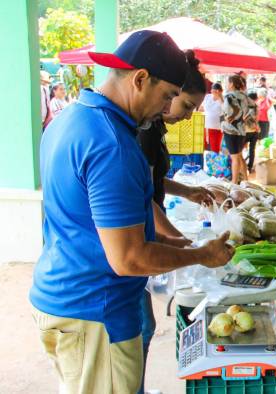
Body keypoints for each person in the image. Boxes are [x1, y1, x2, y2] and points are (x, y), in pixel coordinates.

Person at [31, 31, 234, 394]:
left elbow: (88, 222)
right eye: (168, 96)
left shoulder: (68, 120)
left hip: (61, 296)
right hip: (96, 311)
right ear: (140, 79)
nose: (167, 109)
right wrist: (202, 255)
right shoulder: (112, 144)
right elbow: (129, 257)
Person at [136, 49, 215, 393]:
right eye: (181, 103)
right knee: (139, 326)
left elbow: (152, 182)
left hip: (145, 237)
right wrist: (187, 245)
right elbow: (140, 197)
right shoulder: (139, 132)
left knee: (143, 326)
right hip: (135, 241)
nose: (185, 115)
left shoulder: (152, 127)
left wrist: (186, 191)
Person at [222, 74, 249, 183]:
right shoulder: (244, 96)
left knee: (235, 158)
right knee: (239, 156)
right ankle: (246, 181)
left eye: (228, 83)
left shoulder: (229, 97)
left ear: (232, 84)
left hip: (230, 130)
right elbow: (248, 112)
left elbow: (227, 116)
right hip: (242, 130)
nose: (227, 85)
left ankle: (234, 182)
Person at [202, 82, 224, 152]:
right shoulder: (207, 97)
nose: (215, 92)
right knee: (202, 147)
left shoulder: (223, 100)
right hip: (205, 126)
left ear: (221, 91)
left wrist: (219, 97)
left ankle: (215, 162)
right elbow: (201, 108)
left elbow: (225, 111)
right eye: (213, 90)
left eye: (217, 91)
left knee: (215, 148)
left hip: (217, 128)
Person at [244, 91, 260, 174]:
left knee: (239, 151)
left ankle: (242, 166)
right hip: (254, 131)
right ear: (256, 99)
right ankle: (250, 167)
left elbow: (243, 119)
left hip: (245, 131)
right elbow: (257, 119)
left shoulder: (245, 106)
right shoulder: (256, 107)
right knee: (252, 150)